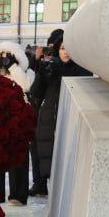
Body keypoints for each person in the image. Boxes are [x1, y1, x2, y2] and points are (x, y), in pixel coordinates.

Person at [29, 29, 92, 197]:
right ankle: (42, 184)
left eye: (69, 48)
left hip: (70, 123)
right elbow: (35, 93)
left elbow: (80, 86)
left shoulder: (81, 69)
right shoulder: (50, 68)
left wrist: (60, 70)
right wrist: (41, 73)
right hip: (49, 124)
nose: (66, 52)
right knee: (50, 165)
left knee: (67, 167)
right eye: (63, 48)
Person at [0, 41, 35, 205]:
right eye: (1, 55)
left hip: (19, 120)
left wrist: (13, 67)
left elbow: (25, 85)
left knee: (19, 158)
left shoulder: (27, 73)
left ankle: (18, 195)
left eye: (9, 55)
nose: (5, 59)